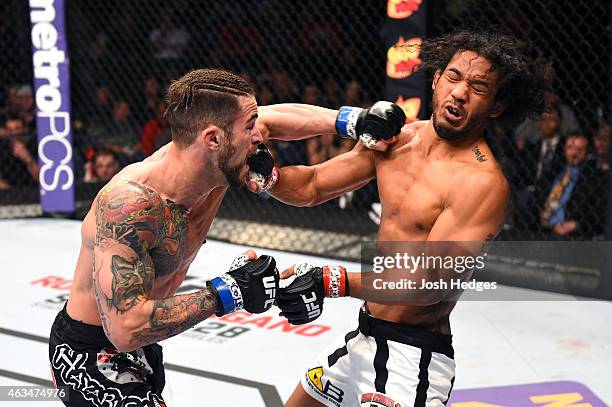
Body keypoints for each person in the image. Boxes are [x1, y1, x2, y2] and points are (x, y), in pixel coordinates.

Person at [49, 68, 398, 406]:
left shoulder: (220, 162)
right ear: (213, 139)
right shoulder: (132, 205)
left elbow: (273, 121)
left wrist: (351, 120)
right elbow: (125, 329)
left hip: (144, 345)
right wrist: (231, 291)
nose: (260, 137)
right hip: (89, 354)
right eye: (250, 128)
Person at [247, 30, 551, 406]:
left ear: (496, 106)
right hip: (365, 335)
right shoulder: (400, 139)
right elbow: (312, 185)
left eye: (478, 87)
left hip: (413, 359)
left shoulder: (482, 183)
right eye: (454, 77)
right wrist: (266, 175)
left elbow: (429, 286)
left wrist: (331, 280)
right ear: (437, 79)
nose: (460, 92)